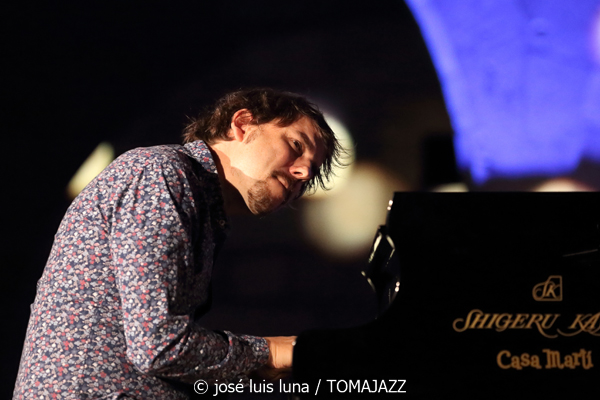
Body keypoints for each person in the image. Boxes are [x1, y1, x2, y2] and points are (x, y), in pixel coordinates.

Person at [14, 88, 343, 399]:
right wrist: (272, 352)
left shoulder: (195, 201)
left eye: (312, 172)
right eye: (296, 145)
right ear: (242, 124)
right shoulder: (161, 173)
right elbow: (157, 345)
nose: (303, 173)